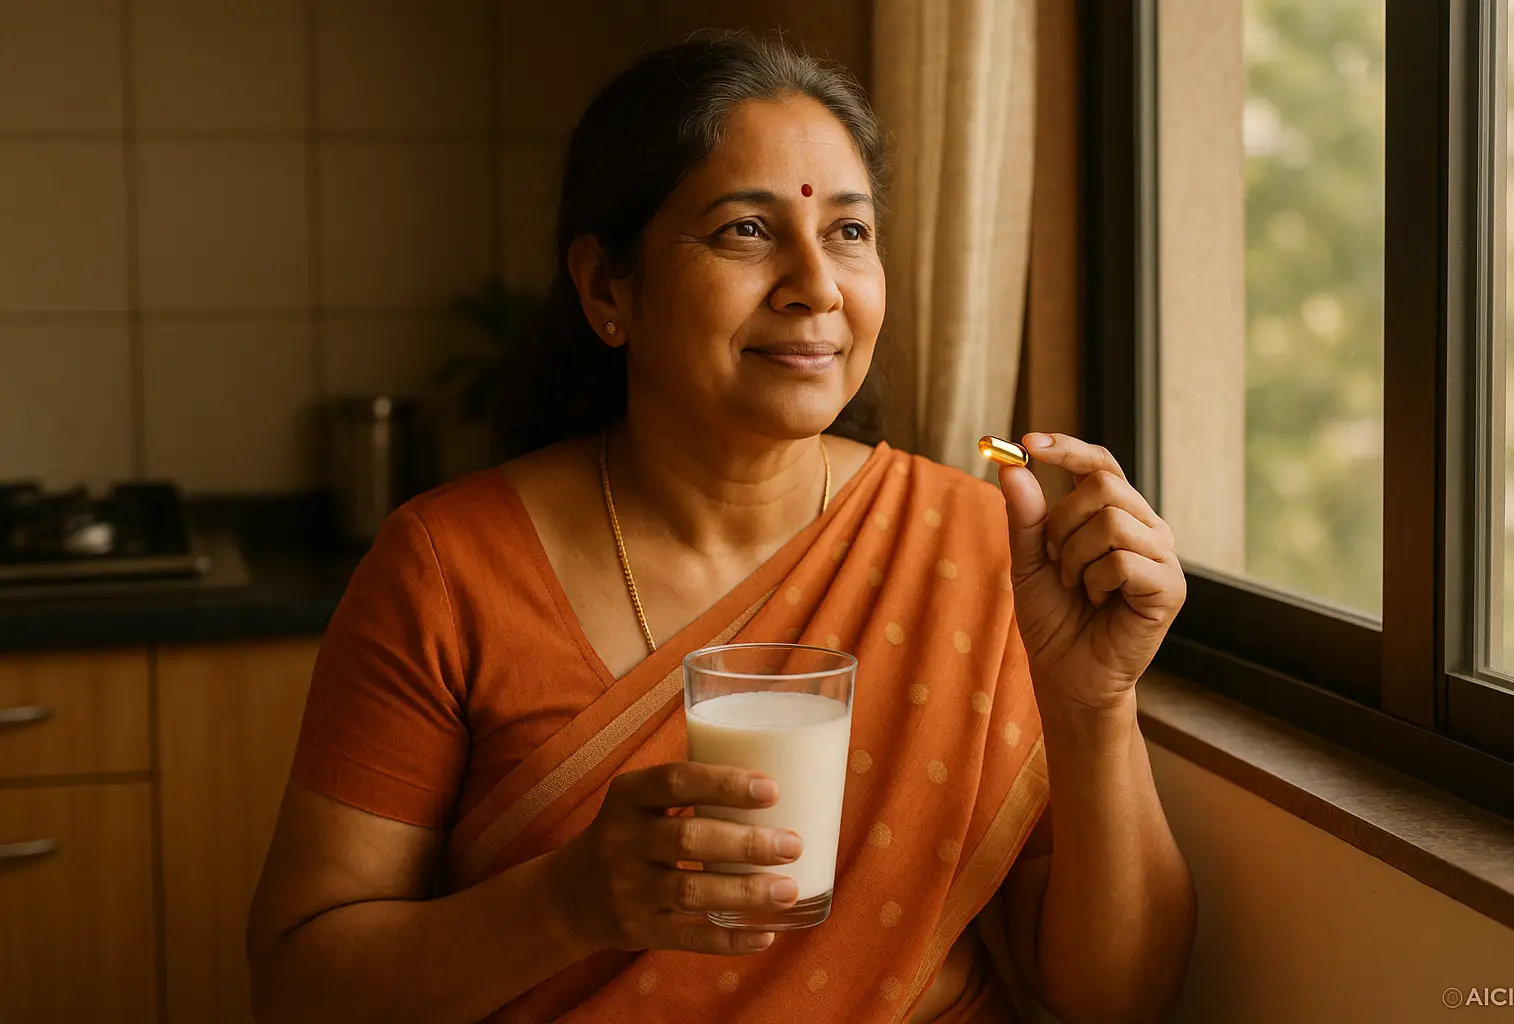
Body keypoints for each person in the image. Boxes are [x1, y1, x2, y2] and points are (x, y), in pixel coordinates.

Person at [247, 31, 1196, 1024]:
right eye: (746, 230)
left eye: (849, 231)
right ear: (607, 289)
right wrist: (566, 903)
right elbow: (298, 989)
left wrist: (1094, 704)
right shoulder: (449, 569)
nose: (816, 285)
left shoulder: (976, 546)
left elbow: (1119, 1001)